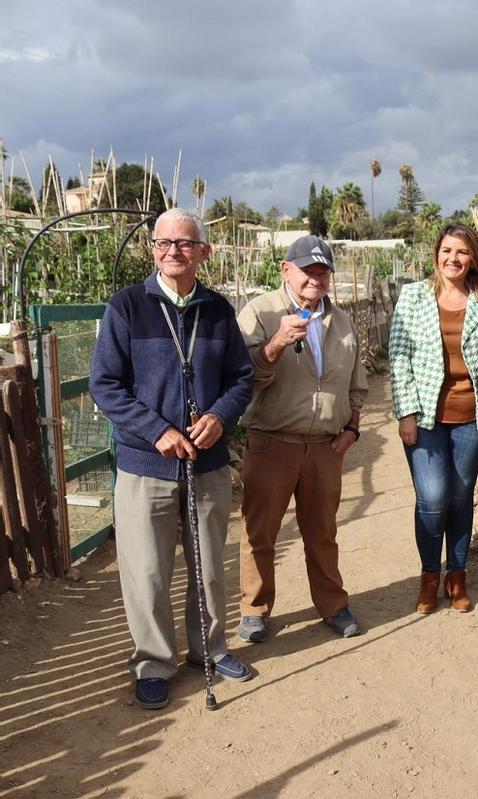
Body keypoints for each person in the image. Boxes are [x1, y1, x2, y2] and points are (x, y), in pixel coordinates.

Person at [90, 208, 255, 710]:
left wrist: (220, 417)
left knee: (207, 565)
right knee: (147, 570)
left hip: (206, 461)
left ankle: (208, 649)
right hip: (146, 464)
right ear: (152, 250)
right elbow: (105, 384)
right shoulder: (127, 307)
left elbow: (241, 378)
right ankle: (154, 662)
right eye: (163, 243)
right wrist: (156, 429)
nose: (173, 251)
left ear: (203, 252)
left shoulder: (219, 310)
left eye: (184, 243)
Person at [235, 235, 369, 642]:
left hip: (326, 447)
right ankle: (254, 608)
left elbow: (356, 384)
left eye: (323, 271)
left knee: (322, 534)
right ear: (285, 269)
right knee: (260, 533)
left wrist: (351, 428)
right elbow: (243, 378)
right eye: (308, 270)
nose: (316, 278)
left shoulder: (341, 321)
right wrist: (275, 343)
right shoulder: (260, 312)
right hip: (271, 442)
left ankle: (332, 605)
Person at [389, 224, 478, 613]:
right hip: (425, 417)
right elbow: (399, 356)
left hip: (473, 416)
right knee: (432, 498)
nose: (453, 258)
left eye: (462, 252)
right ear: (436, 253)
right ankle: (428, 575)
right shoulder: (414, 296)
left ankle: (457, 575)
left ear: (473, 259)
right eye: (447, 250)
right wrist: (406, 412)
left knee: (460, 496)